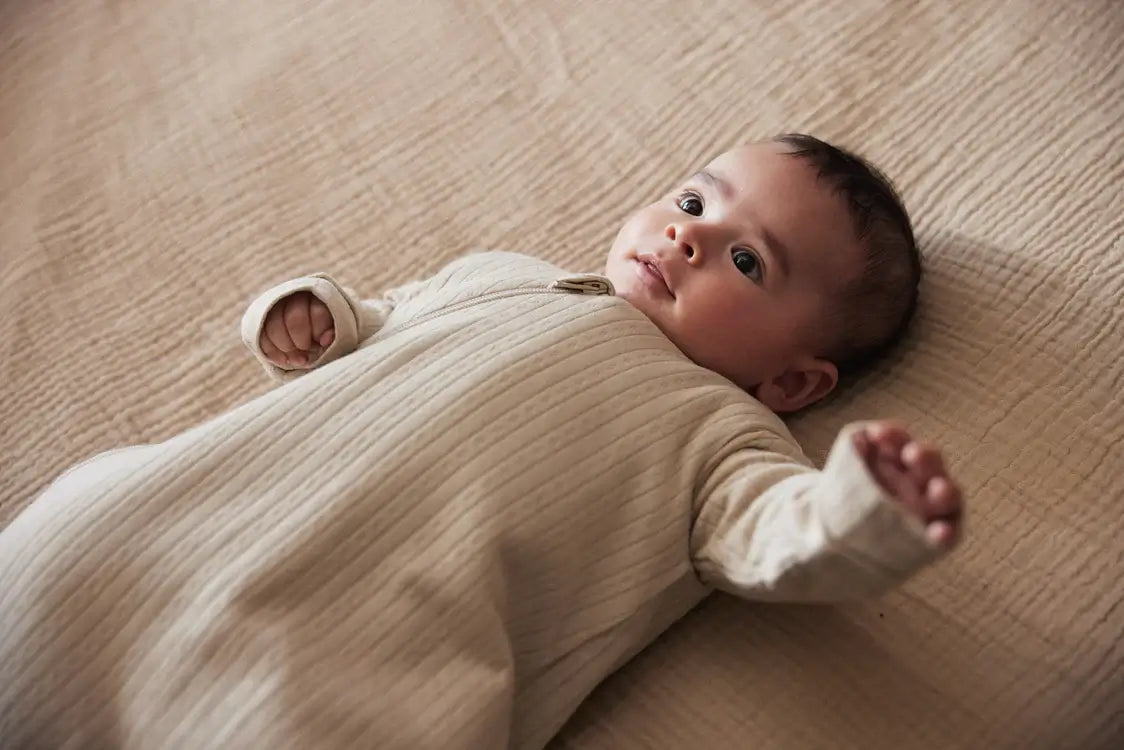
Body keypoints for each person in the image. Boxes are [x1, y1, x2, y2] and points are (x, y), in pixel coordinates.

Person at [0, 134, 963, 749]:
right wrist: (312, 316)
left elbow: (776, 538)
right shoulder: (505, 272)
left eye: (747, 261)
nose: (687, 239)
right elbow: (375, 320)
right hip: (193, 511)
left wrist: (859, 510)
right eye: (693, 201)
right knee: (56, 566)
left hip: (346, 653)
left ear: (793, 382)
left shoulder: (722, 432)